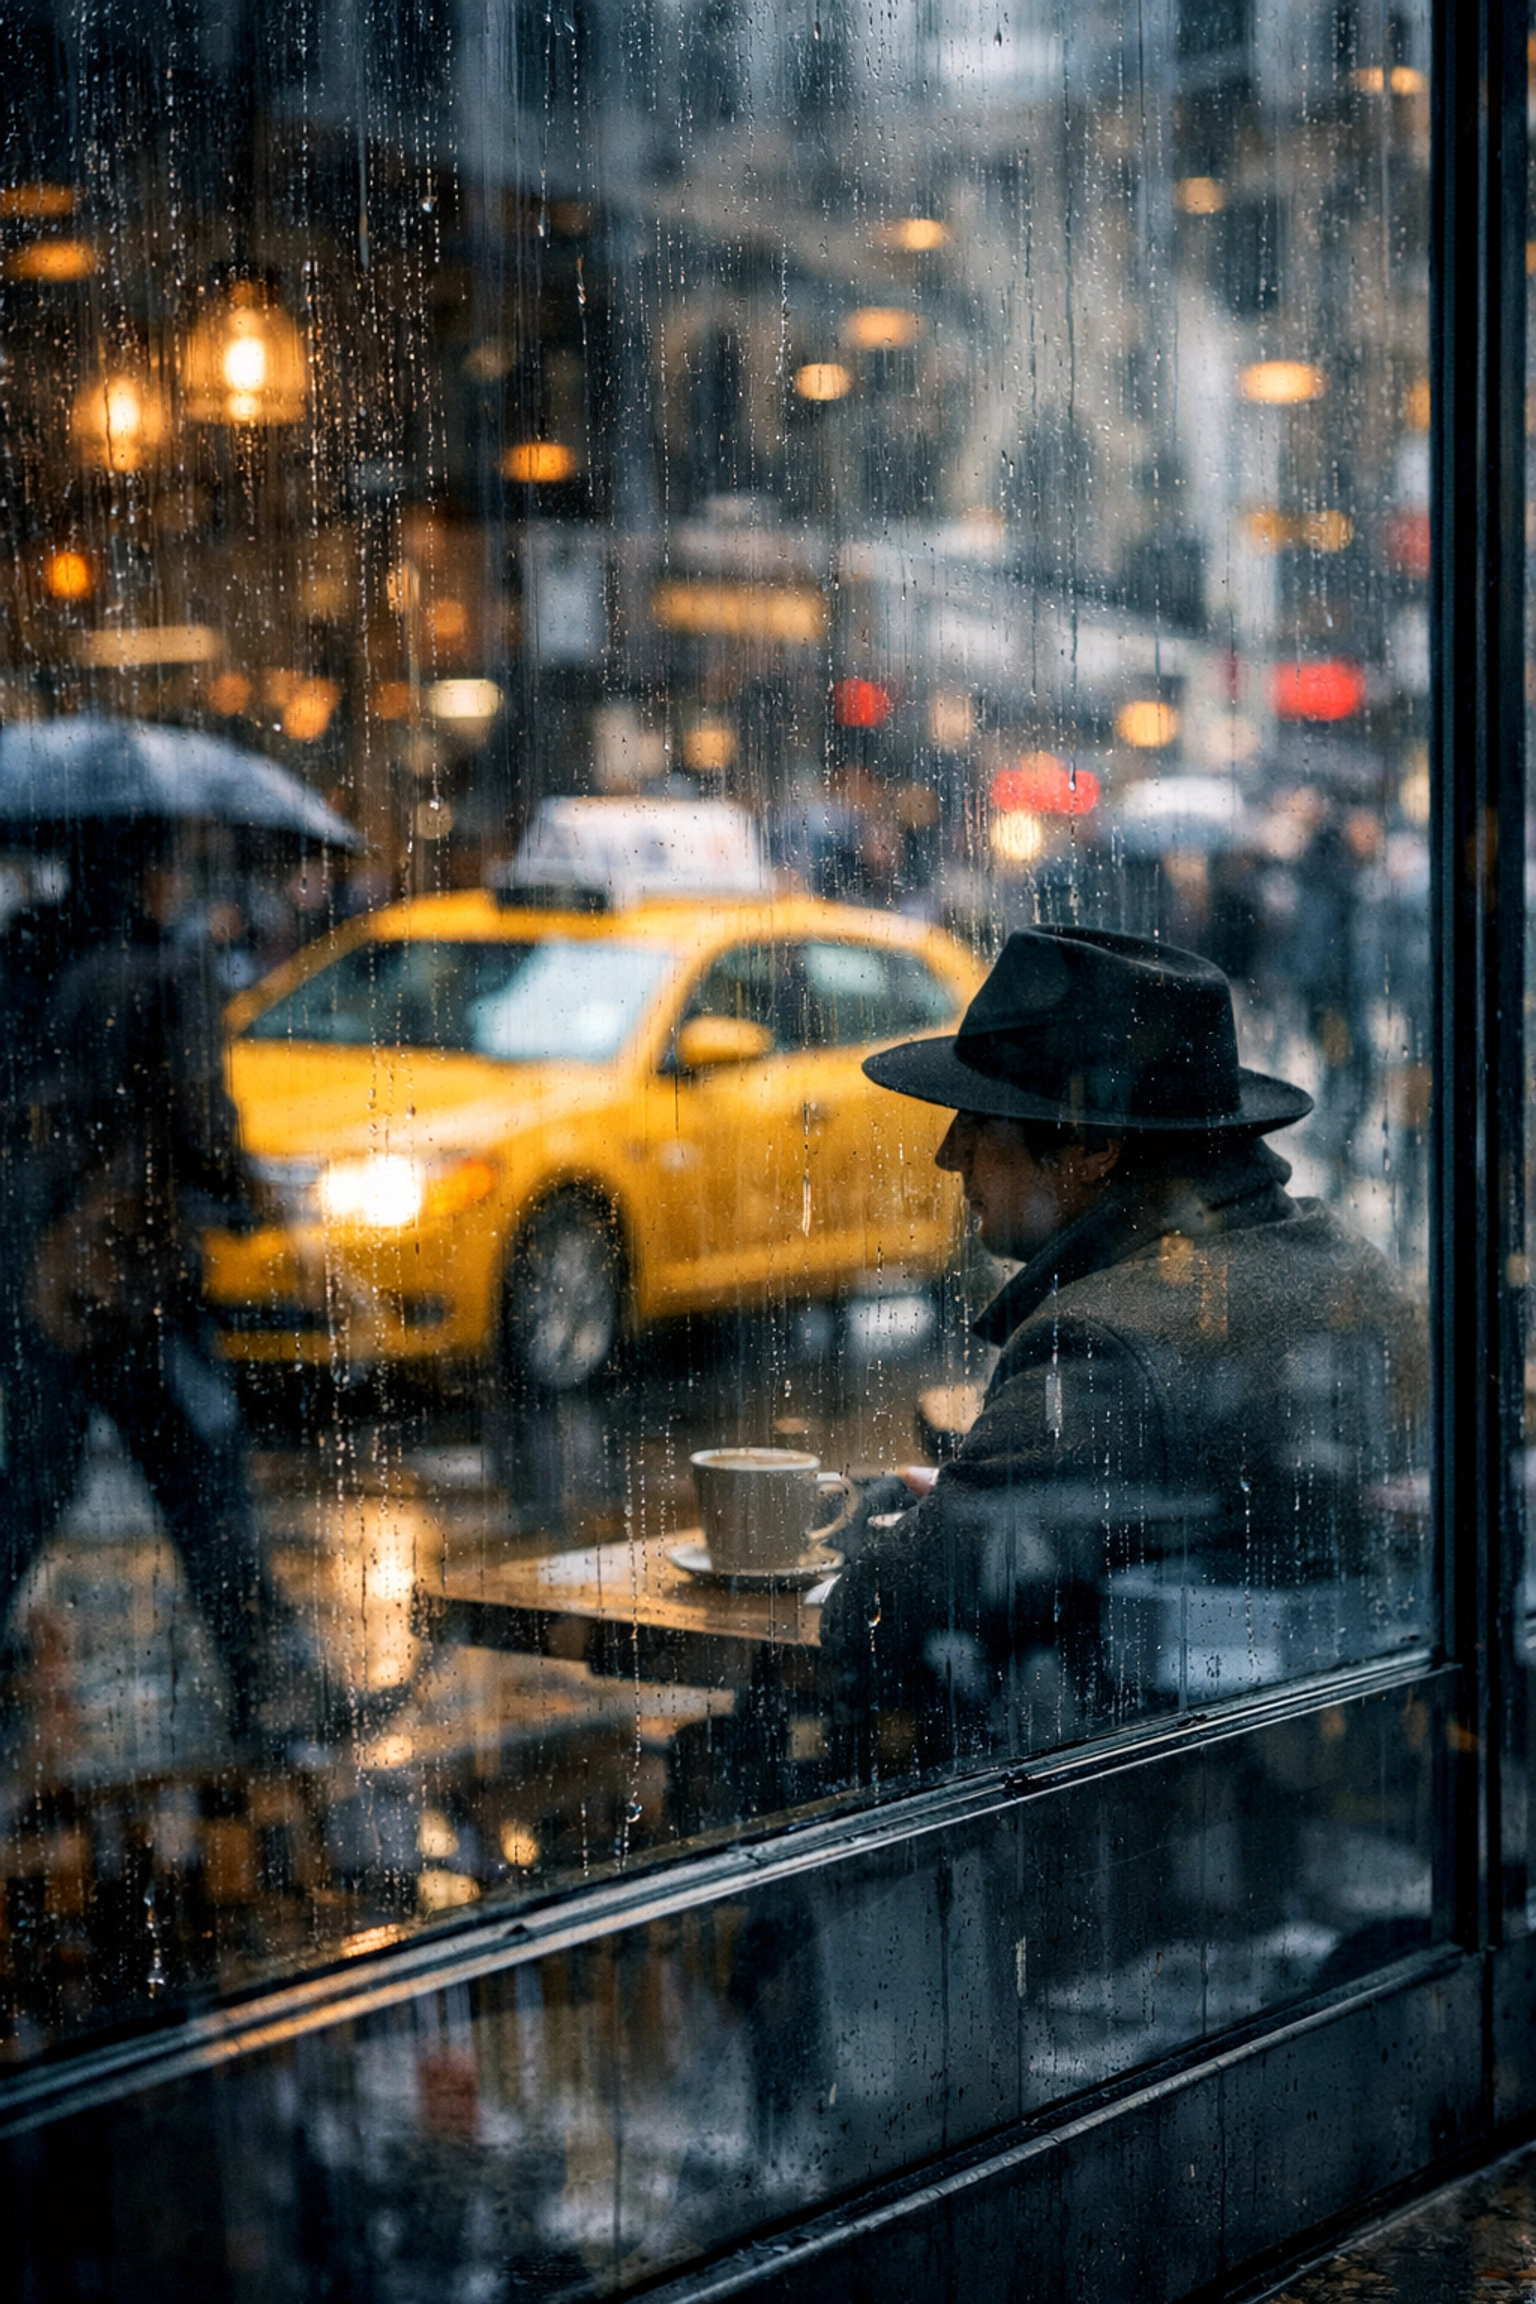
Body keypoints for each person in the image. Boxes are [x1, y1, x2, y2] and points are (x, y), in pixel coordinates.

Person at [818, 924, 1429, 1784]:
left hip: (1155, 1836)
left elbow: (882, 1621)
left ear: (1092, 1146)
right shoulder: (1354, 1271)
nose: (948, 1153)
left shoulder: (1101, 1345)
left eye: (981, 1120)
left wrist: (868, 1538)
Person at [0, 838, 290, 1750]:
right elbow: (202, 1124)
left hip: (34, 1269)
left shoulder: (20, 958)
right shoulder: (170, 970)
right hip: (134, 1274)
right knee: (205, 1478)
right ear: (144, 870)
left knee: (30, 1482)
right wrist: (258, 1198)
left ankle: (268, 1674)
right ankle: (267, 1687)